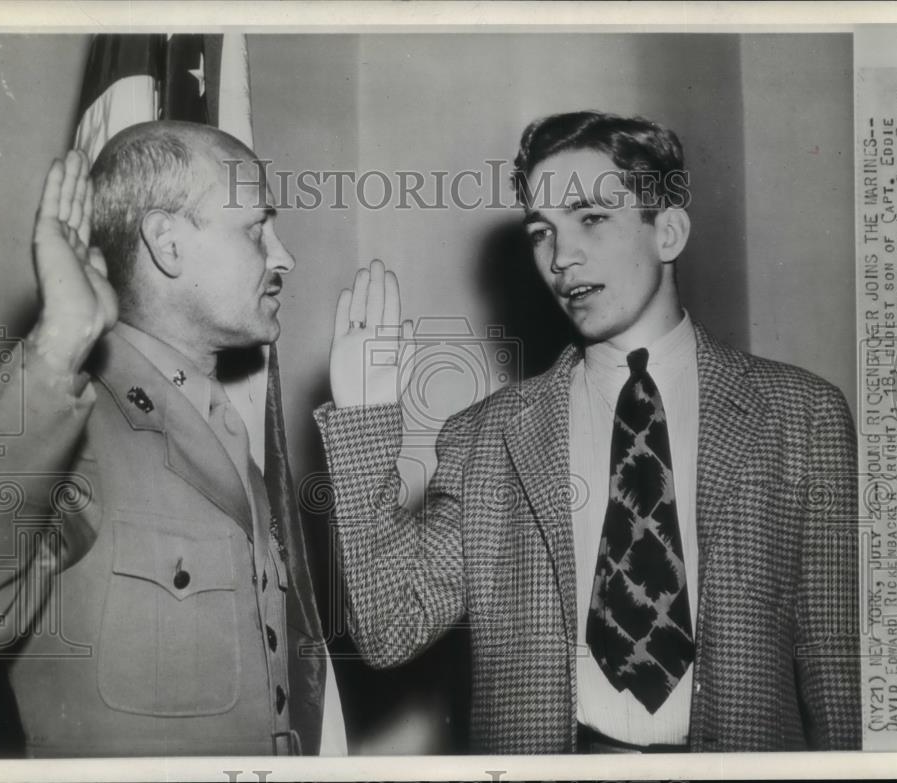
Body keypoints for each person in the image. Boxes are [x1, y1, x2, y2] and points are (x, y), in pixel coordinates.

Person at [314, 111, 861, 753]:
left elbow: (840, 669)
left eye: (591, 219)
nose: (561, 257)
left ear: (669, 231)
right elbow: (387, 629)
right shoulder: (487, 436)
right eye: (541, 232)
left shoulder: (802, 416)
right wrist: (362, 420)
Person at [0, 121, 344, 757]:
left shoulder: (223, 427)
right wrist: (59, 344)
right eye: (257, 228)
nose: (284, 257)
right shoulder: (74, 420)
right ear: (167, 243)